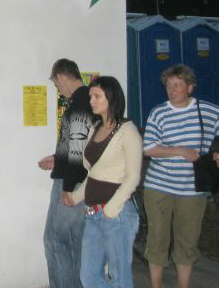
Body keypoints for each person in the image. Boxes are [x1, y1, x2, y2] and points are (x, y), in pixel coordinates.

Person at [142, 64, 219, 288]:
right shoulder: (158, 113)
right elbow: (149, 148)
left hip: (192, 190)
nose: (172, 90)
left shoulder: (207, 111)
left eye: (178, 85)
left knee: (187, 243)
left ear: (190, 87)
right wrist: (179, 150)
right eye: (169, 85)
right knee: (157, 240)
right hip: (159, 187)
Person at [62, 76, 142, 288]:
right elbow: (94, 173)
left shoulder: (128, 131)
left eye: (97, 96)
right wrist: (75, 197)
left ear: (111, 97)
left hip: (117, 214)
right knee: (88, 277)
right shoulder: (95, 128)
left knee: (120, 278)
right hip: (93, 214)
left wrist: (111, 210)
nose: (92, 101)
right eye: (91, 96)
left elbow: (133, 177)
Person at [37, 58, 93, 288]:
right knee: (75, 241)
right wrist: (57, 158)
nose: (58, 89)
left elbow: (77, 152)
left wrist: (68, 189)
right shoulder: (90, 101)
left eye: (56, 84)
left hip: (72, 183)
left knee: (55, 240)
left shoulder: (79, 105)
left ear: (60, 77)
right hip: (83, 182)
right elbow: (81, 146)